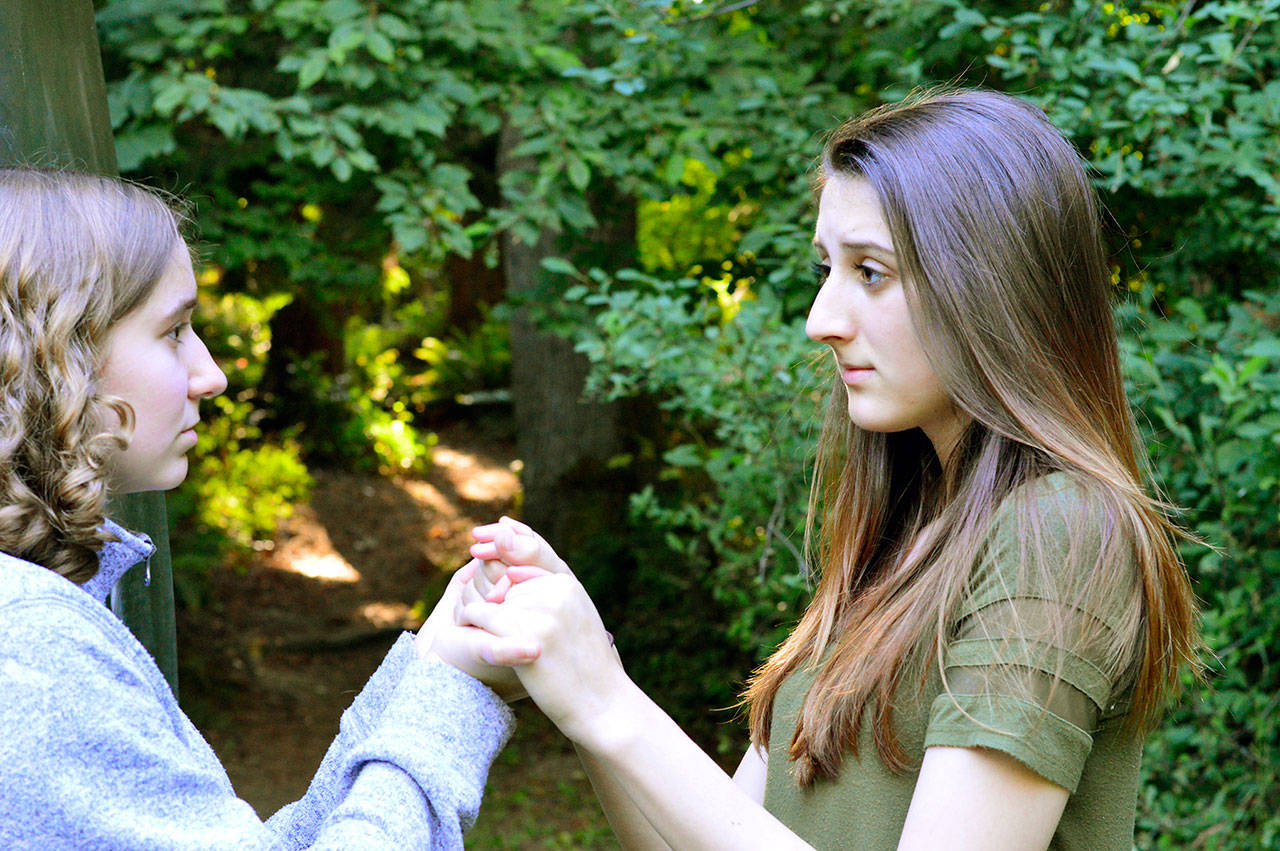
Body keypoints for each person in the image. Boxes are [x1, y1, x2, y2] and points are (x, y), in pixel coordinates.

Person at [452, 89, 1201, 849]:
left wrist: (607, 701)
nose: (821, 318)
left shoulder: (1060, 533)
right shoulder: (907, 531)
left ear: (991, 287)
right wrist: (575, 666)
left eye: (870, 272)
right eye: (827, 268)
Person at [0, 168, 532, 849]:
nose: (211, 374)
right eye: (174, 331)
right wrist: (455, 689)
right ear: (58, 353)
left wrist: (432, 666)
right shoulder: (32, 649)